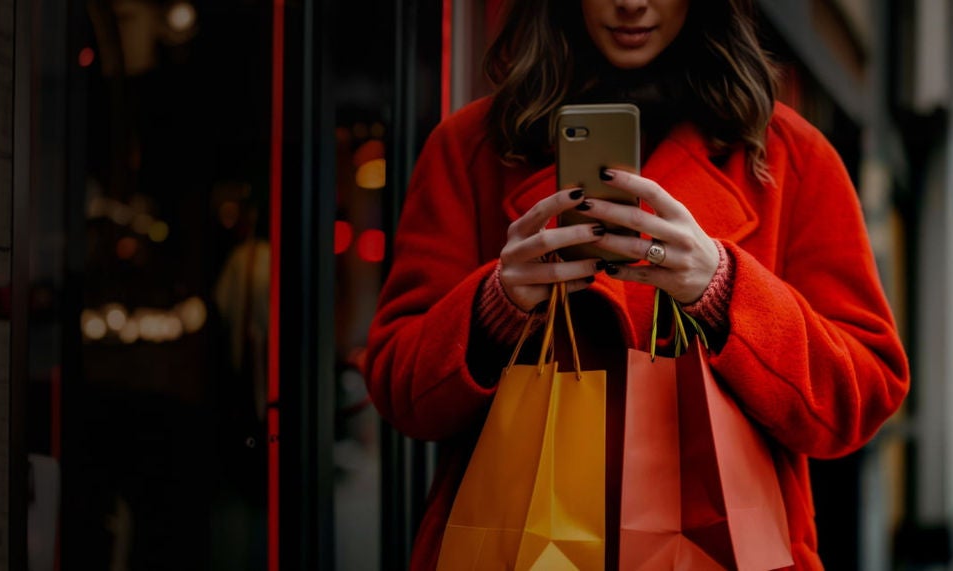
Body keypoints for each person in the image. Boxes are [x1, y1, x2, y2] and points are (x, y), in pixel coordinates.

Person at [362, 0, 910, 568]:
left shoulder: (790, 158)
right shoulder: (471, 148)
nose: (632, 2)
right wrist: (494, 307)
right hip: (517, 545)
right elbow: (399, 389)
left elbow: (862, 395)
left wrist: (724, 288)